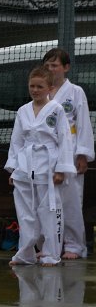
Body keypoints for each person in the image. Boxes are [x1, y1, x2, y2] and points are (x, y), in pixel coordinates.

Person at [5, 66, 75, 266]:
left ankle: (51, 254)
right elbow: (17, 141)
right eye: (32, 86)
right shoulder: (23, 110)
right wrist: (14, 168)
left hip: (48, 165)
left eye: (40, 87)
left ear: (50, 88)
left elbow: (65, 140)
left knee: (49, 211)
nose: (35, 90)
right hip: (25, 165)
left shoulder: (57, 109)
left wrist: (61, 169)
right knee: (25, 213)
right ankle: (25, 254)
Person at [43, 48, 94, 259]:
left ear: (66, 67)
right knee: (46, 200)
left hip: (70, 149)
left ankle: (74, 246)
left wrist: (83, 154)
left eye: (54, 65)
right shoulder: (41, 90)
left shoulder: (75, 92)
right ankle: (48, 245)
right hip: (46, 150)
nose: (50, 69)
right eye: (47, 65)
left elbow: (83, 123)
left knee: (71, 200)